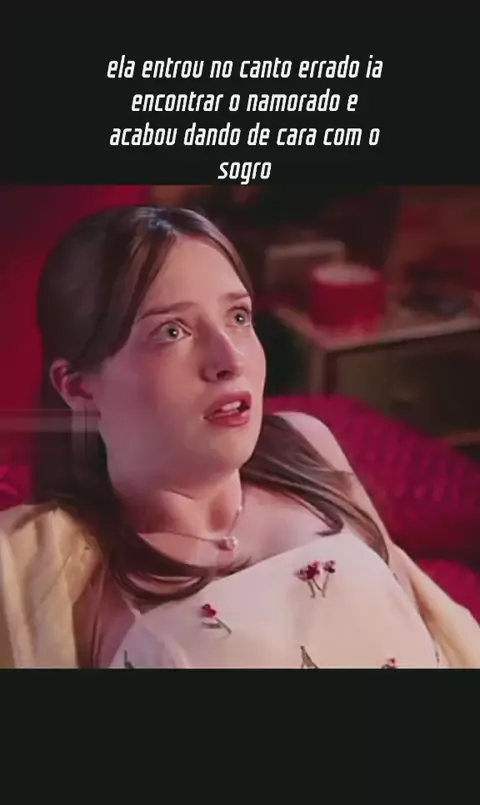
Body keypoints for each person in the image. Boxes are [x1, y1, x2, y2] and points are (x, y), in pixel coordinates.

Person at [0, 204, 479, 668]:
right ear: (79, 386)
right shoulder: (47, 573)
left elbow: (421, 622)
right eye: (171, 332)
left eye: (238, 317)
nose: (230, 359)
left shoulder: (307, 445)